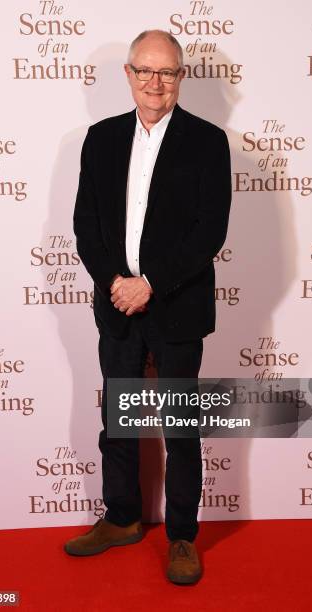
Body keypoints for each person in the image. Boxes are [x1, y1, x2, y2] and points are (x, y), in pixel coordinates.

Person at [64, 29, 232, 585]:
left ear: (181, 77)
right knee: (118, 421)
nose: (155, 82)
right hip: (116, 304)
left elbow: (210, 231)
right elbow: (85, 223)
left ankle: (183, 535)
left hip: (177, 307)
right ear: (129, 75)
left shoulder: (208, 141)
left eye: (167, 72)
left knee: (181, 427)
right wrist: (115, 281)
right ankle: (122, 518)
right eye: (145, 71)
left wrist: (149, 283)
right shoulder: (100, 138)